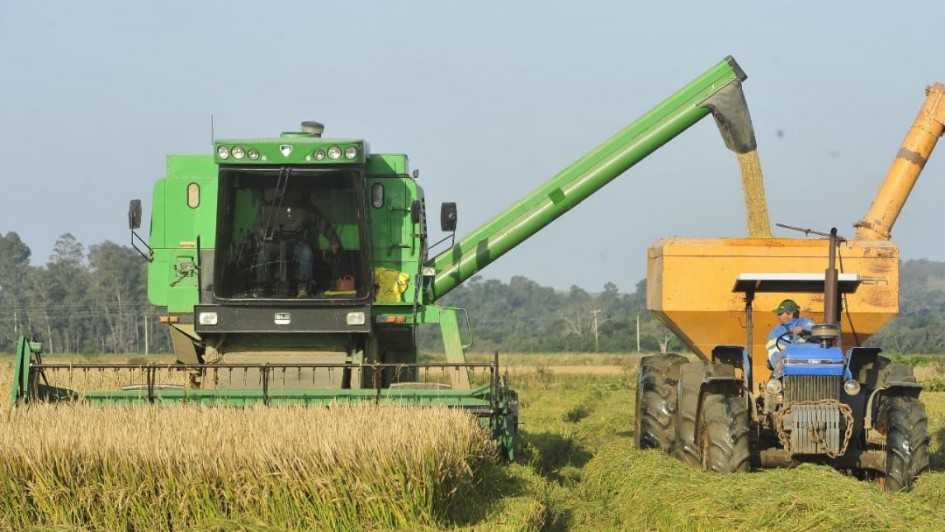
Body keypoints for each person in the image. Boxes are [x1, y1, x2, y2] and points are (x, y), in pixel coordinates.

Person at [253, 190, 341, 297]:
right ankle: (262, 287)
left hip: (299, 243)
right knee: (263, 254)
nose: (289, 194)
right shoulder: (271, 207)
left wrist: (334, 240)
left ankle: (303, 288)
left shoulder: (306, 208)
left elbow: (321, 222)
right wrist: (260, 231)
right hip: (276, 243)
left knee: (307, 254)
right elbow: (259, 225)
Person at [765, 299, 814, 368]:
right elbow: (773, 357)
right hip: (785, 369)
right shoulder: (775, 331)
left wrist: (803, 331)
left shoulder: (805, 322)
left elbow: (814, 330)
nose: (777, 316)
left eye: (780, 314)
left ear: (790, 314)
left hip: (807, 367)